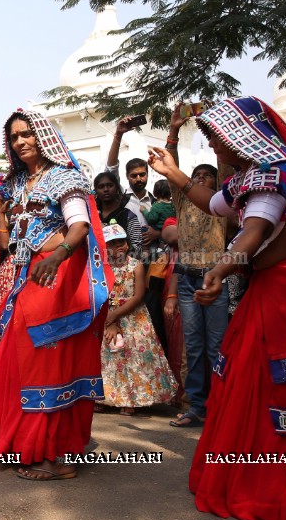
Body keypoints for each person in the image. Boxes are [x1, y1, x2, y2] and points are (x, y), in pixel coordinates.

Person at [148, 96, 286, 520]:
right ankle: (276, 486)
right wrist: (174, 175)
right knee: (250, 384)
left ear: (239, 133)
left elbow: (254, 231)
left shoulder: (273, 171)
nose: (214, 145)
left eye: (216, 137)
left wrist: (222, 268)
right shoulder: (254, 174)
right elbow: (218, 204)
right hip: (270, 289)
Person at [0, 107, 112, 481]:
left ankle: (55, 456)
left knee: (46, 359)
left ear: (43, 136)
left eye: (27, 134)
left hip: (56, 274)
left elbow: (79, 226)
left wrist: (55, 258)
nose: (21, 141)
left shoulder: (64, 178)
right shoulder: (16, 182)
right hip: (32, 276)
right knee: (23, 358)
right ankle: (32, 443)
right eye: (14, 137)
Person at [162, 107, 230, 428]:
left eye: (207, 176)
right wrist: (174, 132)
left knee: (217, 345)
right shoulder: (183, 199)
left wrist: (208, 126)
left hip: (216, 279)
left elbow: (225, 163)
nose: (200, 179)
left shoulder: (222, 201)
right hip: (189, 280)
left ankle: (220, 404)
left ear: (217, 182)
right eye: (197, 175)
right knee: (194, 345)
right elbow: (170, 166)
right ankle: (196, 407)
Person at [99, 224, 177, 416]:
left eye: (122, 242)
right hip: (107, 315)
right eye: (113, 243)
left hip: (132, 317)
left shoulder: (136, 265)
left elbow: (138, 296)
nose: (120, 247)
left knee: (134, 357)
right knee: (109, 358)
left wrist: (115, 316)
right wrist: (109, 320)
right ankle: (105, 398)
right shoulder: (101, 267)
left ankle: (132, 398)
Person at [93, 171, 143, 257]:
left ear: (117, 188)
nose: (106, 189)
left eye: (110, 185)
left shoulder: (128, 216)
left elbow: (137, 248)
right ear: (96, 191)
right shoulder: (91, 215)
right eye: (101, 187)